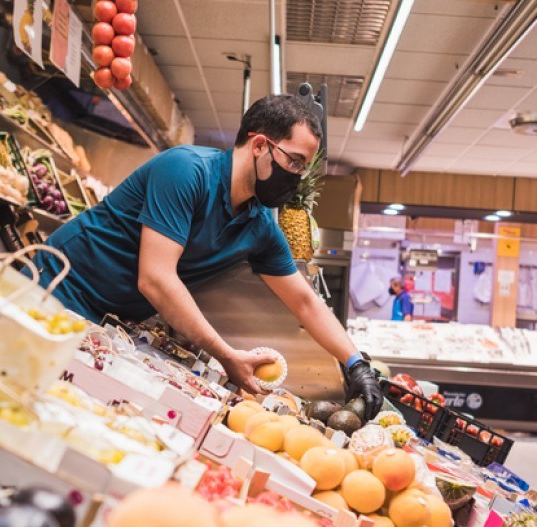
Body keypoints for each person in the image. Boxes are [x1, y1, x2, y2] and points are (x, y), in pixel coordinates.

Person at [31, 94, 382, 418]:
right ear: (260, 144)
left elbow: (305, 300)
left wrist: (355, 365)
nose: (296, 176)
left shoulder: (259, 224)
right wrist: (225, 354)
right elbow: (156, 278)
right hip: (56, 289)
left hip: (106, 327)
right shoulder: (187, 170)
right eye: (295, 162)